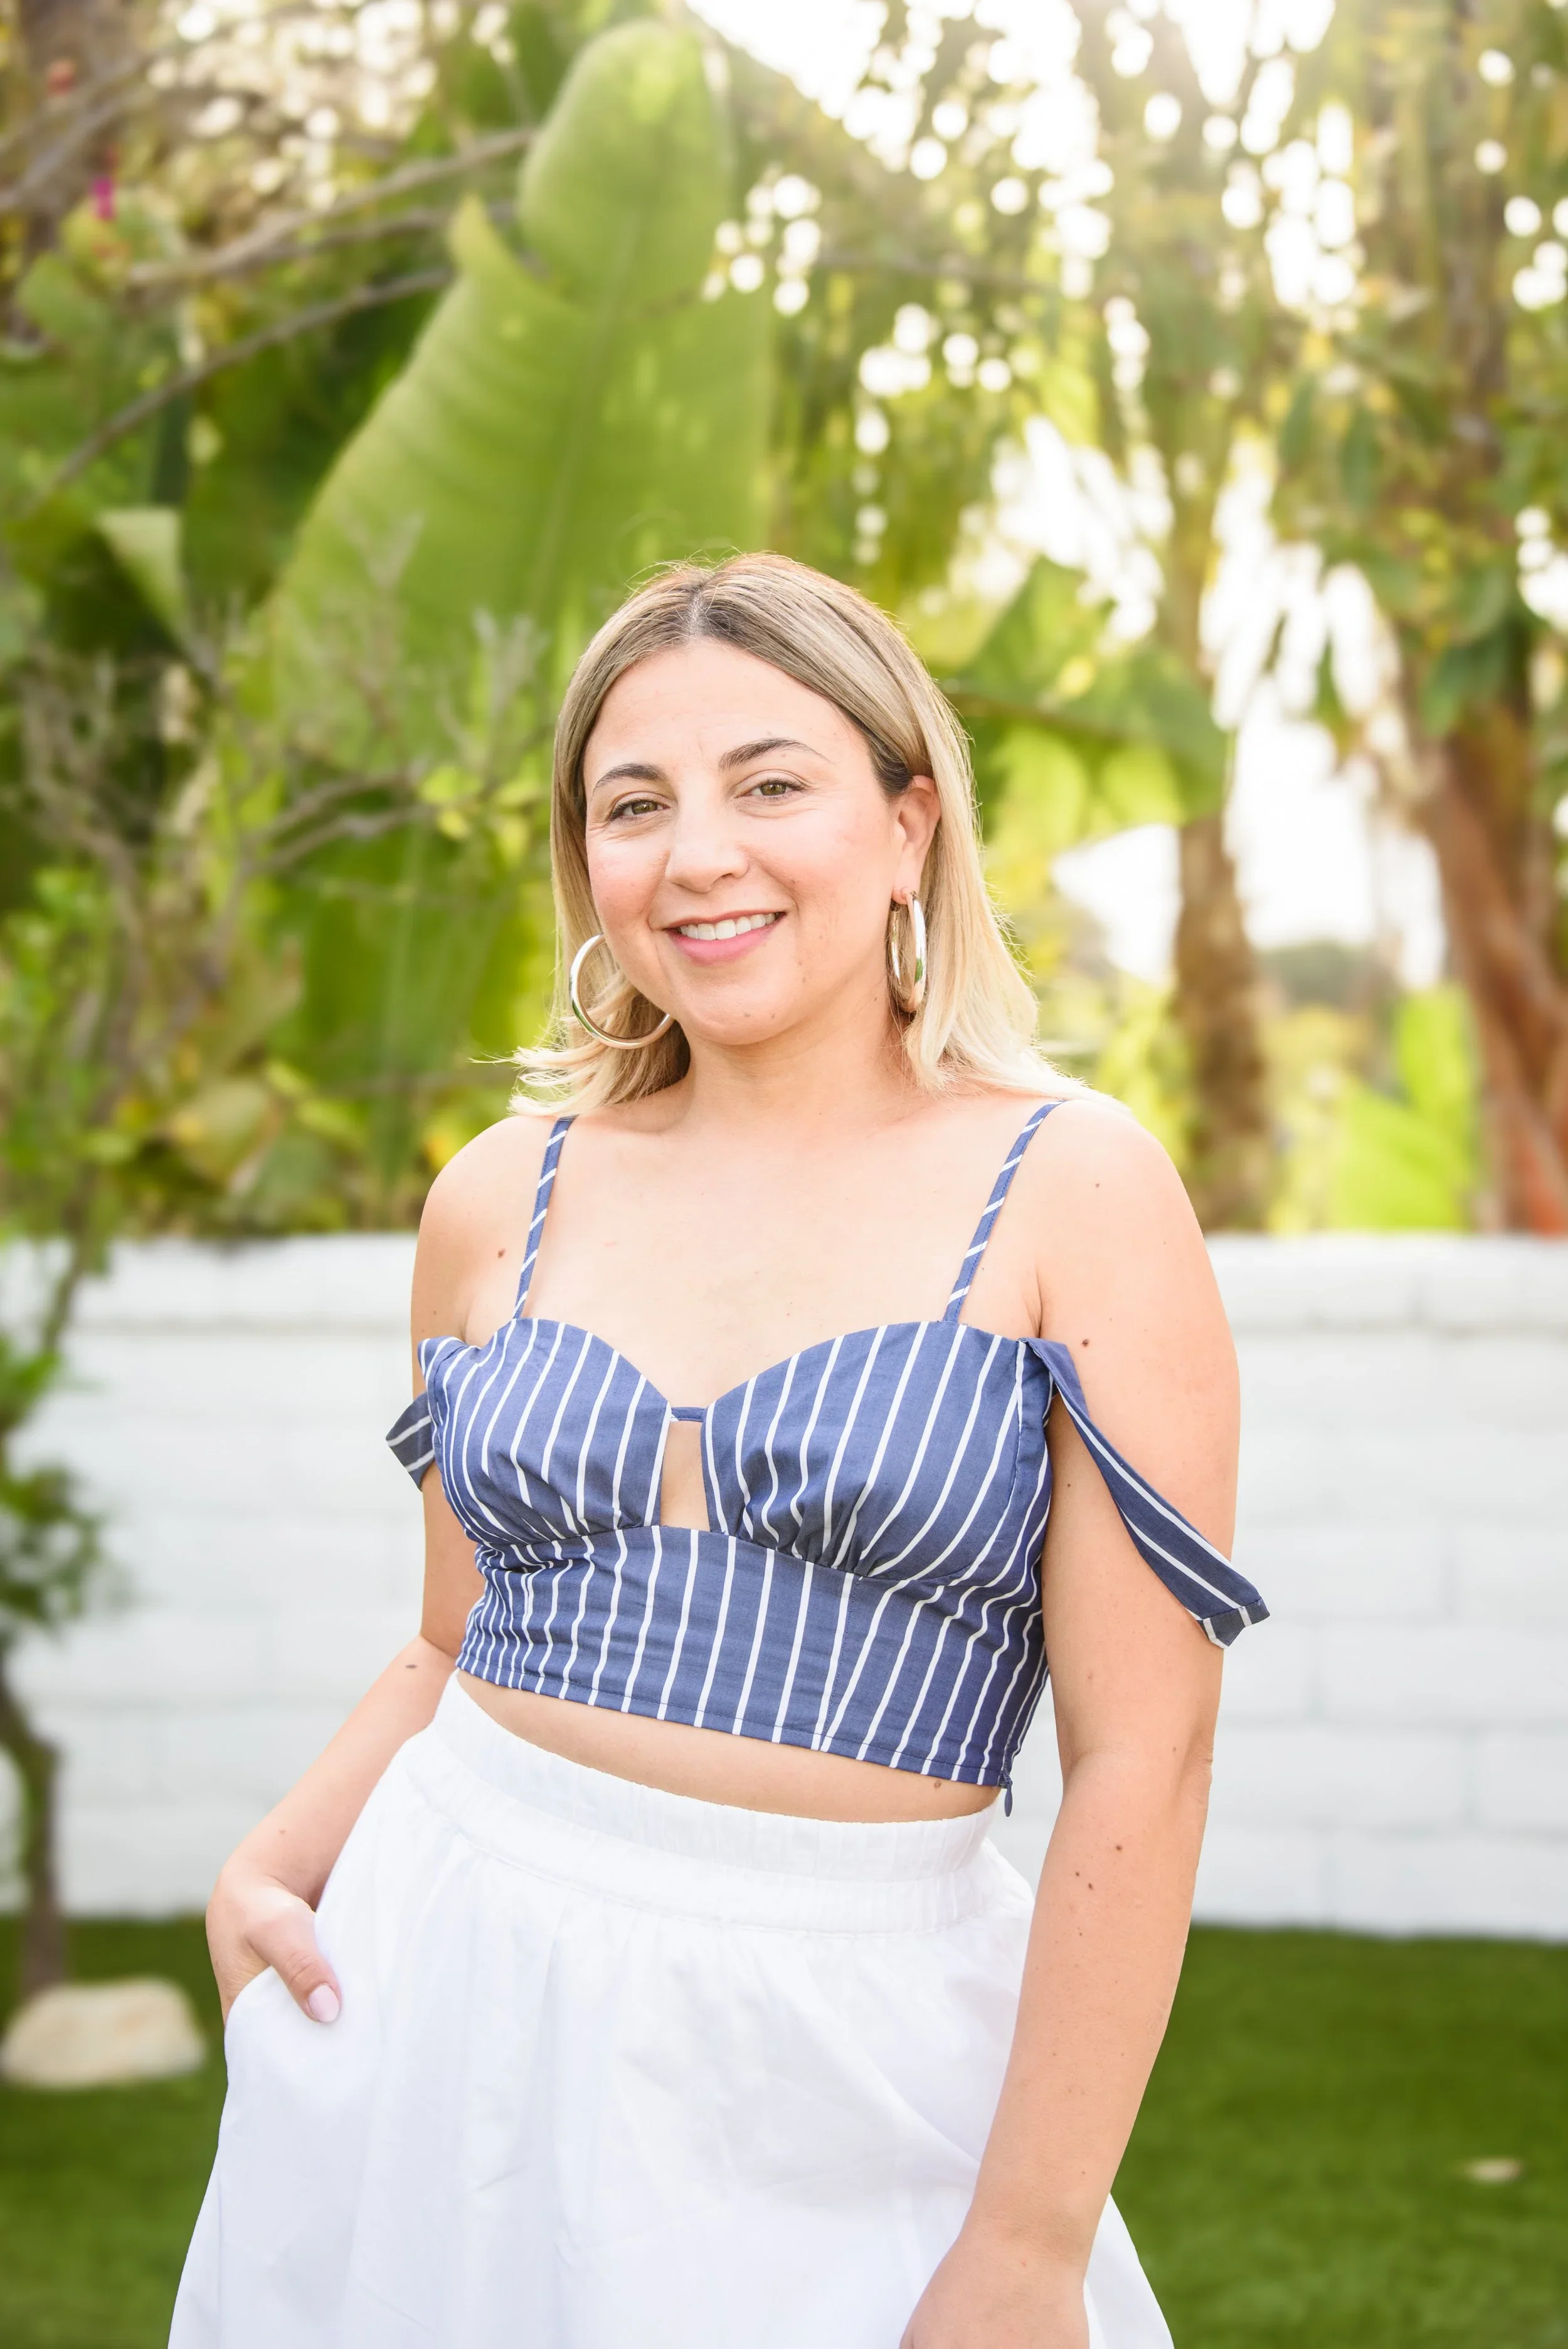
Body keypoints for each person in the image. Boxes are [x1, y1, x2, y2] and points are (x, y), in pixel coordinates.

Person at [172, 553, 1266, 2349]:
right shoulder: (494, 1199)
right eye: (634, 804)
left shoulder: (1073, 1187)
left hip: (848, 2039)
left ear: (909, 820)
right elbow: (449, 1640)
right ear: (583, 860)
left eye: (772, 783)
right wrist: (274, 1860)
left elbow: (1142, 1753)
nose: (699, 855)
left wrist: (1026, 2244)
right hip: (444, 1978)